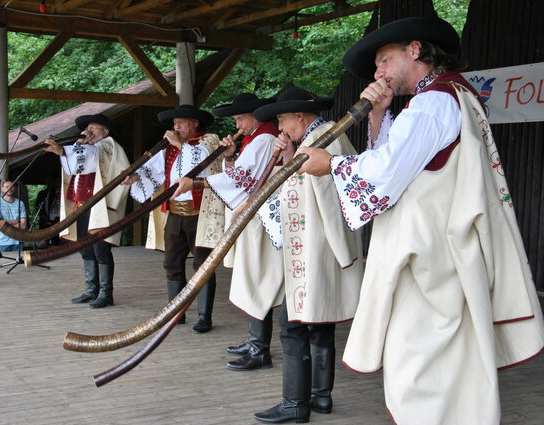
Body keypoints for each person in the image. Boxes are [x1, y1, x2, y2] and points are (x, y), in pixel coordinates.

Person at [297, 16, 544, 425]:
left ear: (415, 50)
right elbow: (404, 162)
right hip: (446, 253)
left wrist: (332, 165)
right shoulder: (450, 96)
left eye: (383, 60)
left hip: (430, 260)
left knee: (419, 366)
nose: (378, 73)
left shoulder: (433, 102)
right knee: (448, 363)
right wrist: (378, 115)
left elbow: (387, 175)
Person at [250, 87, 364, 423]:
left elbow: (331, 197)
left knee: (293, 323)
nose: (281, 127)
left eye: (283, 119)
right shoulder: (321, 138)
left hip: (315, 250)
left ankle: (294, 403)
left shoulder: (323, 141)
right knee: (319, 321)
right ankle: (320, 397)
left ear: (300, 116)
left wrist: (341, 251)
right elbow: (301, 186)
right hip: (317, 248)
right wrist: (289, 157)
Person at [172, 93, 284, 370]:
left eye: (240, 118)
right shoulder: (254, 139)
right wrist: (230, 155)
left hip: (261, 218)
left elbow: (240, 179)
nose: (238, 124)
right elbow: (241, 174)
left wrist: (197, 184)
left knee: (258, 277)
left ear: (255, 116)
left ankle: (260, 348)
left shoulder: (264, 139)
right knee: (251, 277)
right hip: (252, 215)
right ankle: (255, 339)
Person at [123, 104, 221, 333]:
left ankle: (204, 316)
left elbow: (201, 164)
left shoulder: (209, 142)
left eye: (181, 123)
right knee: (172, 263)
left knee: (203, 264)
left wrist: (180, 145)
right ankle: (177, 313)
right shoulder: (171, 148)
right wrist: (135, 176)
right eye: (174, 123)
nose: (176, 127)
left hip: (200, 214)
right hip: (175, 213)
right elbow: (155, 170)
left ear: (195, 123)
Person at [43, 114, 130, 308]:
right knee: (85, 248)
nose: (89, 131)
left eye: (94, 128)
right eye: (87, 128)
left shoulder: (108, 147)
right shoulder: (87, 147)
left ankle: (106, 293)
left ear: (105, 132)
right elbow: (73, 168)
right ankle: (91, 290)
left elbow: (92, 157)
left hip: (99, 206)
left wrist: (65, 150)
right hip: (81, 204)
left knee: (101, 249)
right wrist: (66, 152)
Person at [0, 180, 27, 252]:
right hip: (1, 242)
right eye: (7, 187)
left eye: (11, 187)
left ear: (15, 188)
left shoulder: (20, 203)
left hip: (17, 241)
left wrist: (6, 224)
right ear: (2, 188)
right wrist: (15, 221)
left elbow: (23, 225)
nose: (9, 189)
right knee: (1, 263)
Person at [34, 175, 61, 246]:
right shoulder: (42, 193)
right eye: (48, 181)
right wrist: (43, 216)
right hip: (45, 221)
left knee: (56, 243)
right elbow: (37, 207)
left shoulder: (59, 193)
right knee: (43, 242)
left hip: (57, 221)